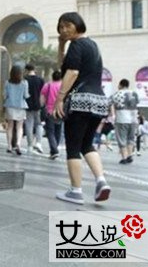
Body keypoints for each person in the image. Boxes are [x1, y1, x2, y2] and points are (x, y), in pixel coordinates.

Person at [53, 12, 111, 205]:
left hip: (80, 101)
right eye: (60, 27)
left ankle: (76, 191)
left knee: (73, 146)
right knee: (87, 144)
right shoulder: (92, 45)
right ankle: (101, 181)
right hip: (99, 100)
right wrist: (61, 44)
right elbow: (63, 65)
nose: (63, 30)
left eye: (67, 25)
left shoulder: (77, 44)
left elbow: (71, 72)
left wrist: (59, 98)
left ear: (78, 24)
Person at [0, 65, 29, 155]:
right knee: (19, 127)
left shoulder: (7, 83)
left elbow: (4, 95)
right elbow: (26, 95)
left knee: (10, 127)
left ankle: (9, 146)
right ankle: (18, 143)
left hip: (10, 106)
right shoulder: (24, 83)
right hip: (21, 106)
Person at [40, 70, 63, 159]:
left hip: (49, 111)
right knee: (58, 131)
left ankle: (54, 150)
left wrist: (41, 107)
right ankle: (55, 148)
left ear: (52, 77)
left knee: (50, 132)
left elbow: (42, 99)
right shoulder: (63, 86)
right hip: (60, 111)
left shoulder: (48, 85)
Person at [24, 64, 45, 153]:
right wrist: (42, 104)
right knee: (39, 124)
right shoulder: (40, 80)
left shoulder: (25, 79)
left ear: (26, 70)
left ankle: (29, 145)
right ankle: (39, 143)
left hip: (27, 104)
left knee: (29, 124)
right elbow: (43, 93)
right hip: (38, 105)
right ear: (34, 69)